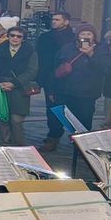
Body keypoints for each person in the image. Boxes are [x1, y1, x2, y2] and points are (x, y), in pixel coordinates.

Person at [0, 25, 38, 146]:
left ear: (23, 38)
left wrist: (14, 83)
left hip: (19, 90)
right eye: (12, 35)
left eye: (19, 36)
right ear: (8, 36)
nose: (15, 38)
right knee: (3, 118)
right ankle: (6, 144)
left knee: (16, 119)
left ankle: (19, 146)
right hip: (1, 87)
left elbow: (32, 71)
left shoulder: (30, 51)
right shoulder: (1, 48)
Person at [54, 24, 104, 140]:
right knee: (65, 117)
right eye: (83, 34)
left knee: (85, 119)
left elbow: (104, 68)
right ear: (78, 36)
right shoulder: (67, 48)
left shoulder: (101, 48)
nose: (86, 36)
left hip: (88, 92)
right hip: (67, 89)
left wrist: (91, 54)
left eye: (89, 34)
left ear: (94, 36)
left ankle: (83, 143)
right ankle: (64, 138)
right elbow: (56, 65)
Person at [37, 12, 76, 151]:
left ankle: (76, 137)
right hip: (50, 78)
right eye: (53, 19)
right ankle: (53, 136)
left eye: (57, 20)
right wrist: (39, 79)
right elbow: (39, 58)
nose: (54, 22)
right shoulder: (45, 37)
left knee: (72, 109)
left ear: (66, 22)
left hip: (71, 79)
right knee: (52, 108)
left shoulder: (74, 38)